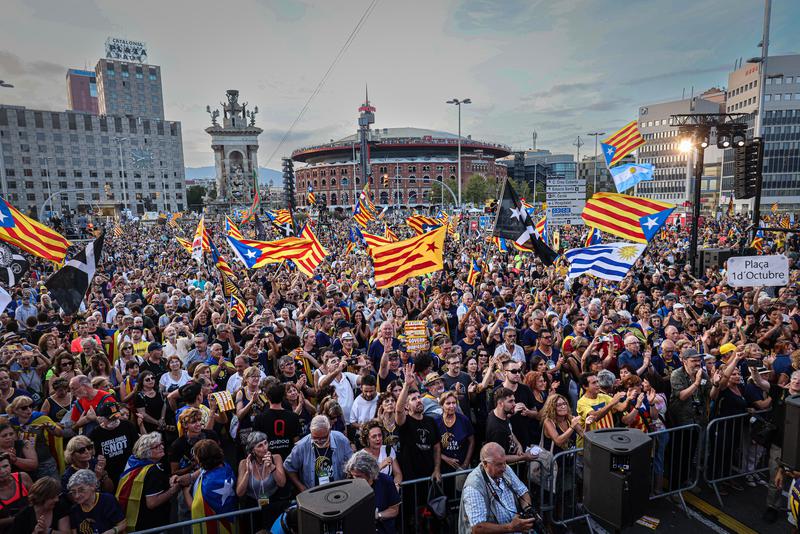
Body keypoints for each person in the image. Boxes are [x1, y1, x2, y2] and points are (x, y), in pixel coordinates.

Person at [458, 442, 537, 533]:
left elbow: (522, 491)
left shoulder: (505, 468)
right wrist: (510, 527)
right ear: (485, 463)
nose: (504, 468)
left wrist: (527, 512)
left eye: (504, 463)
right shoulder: (474, 485)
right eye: (499, 464)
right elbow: (478, 528)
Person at [116, 432, 186, 532]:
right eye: (156, 446)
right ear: (146, 452)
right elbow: (152, 503)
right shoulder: (153, 472)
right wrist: (173, 490)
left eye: (161, 443)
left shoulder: (133, 462)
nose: (162, 447)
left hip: (138, 520)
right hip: (152, 524)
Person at [283, 415, 353, 492]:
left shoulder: (341, 440)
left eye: (323, 437)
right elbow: (288, 466)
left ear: (329, 430)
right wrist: (300, 486)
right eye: (315, 437)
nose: (319, 441)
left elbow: (351, 463)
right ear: (310, 431)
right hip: (313, 493)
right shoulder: (302, 446)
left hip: (338, 490)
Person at [236, 431, 287, 533]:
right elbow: (239, 493)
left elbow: (282, 483)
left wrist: (272, 467)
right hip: (253, 507)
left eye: (265, 443)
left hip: (272, 504)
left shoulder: (276, 458)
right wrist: (247, 472)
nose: (265, 447)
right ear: (252, 450)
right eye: (260, 445)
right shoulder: (243, 463)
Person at [344, 450, 401, 534]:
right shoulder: (350, 483)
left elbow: (394, 510)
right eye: (353, 475)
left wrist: (378, 515)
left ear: (369, 473)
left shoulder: (386, 481)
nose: (355, 479)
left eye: (359, 476)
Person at [67, 469, 125, 534]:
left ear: (93, 486)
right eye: (73, 492)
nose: (77, 496)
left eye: (81, 490)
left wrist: (111, 531)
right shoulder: (74, 510)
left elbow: (122, 524)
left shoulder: (107, 500)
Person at [0, 452, 33, 532]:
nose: (2, 471)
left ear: (11, 466)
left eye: (5, 466)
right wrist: (17, 518)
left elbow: (39, 500)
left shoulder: (23, 477)